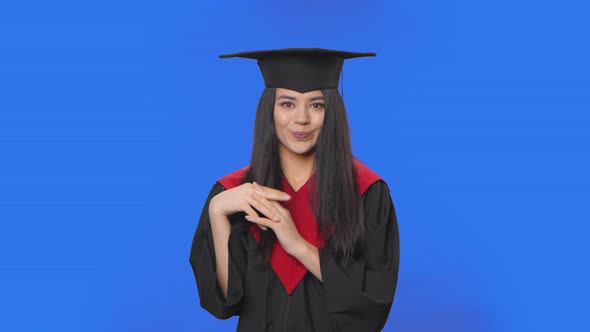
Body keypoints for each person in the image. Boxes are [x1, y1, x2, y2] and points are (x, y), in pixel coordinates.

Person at [189, 48, 400, 331]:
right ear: (270, 111)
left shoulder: (367, 193)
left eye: (316, 105)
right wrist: (217, 212)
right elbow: (228, 302)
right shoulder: (235, 193)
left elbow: (373, 303)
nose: (301, 118)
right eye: (287, 104)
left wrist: (298, 246)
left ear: (331, 113)